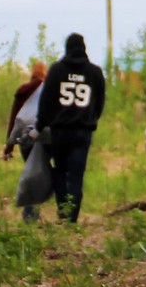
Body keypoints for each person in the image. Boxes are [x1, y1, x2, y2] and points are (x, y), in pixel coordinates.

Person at [34, 33, 105, 223]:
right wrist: (91, 119)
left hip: (60, 131)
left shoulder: (57, 70)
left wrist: (40, 125)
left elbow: (46, 101)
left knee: (60, 171)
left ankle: (63, 211)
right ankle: (72, 218)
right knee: (76, 175)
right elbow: (99, 103)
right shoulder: (95, 73)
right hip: (83, 132)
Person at [3, 59, 48, 222]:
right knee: (42, 173)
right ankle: (32, 213)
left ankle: (30, 214)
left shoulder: (23, 91)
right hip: (45, 137)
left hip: (25, 139)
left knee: (32, 172)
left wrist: (9, 147)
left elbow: (14, 119)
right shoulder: (49, 90)